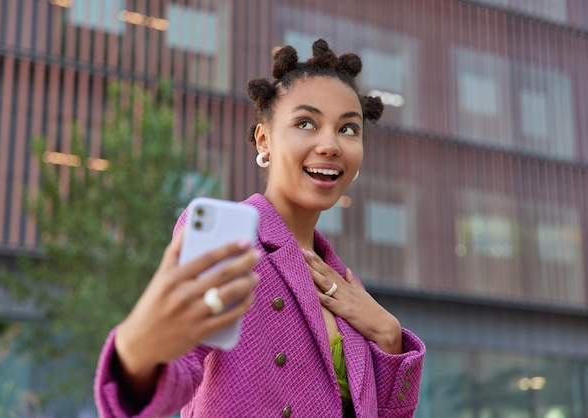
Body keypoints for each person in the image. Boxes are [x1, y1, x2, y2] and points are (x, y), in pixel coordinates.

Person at [94, 39, 425, 418]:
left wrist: (388, 335)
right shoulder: (230, 240)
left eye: (348, 129)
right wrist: (135, 355)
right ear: (264, 140)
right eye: (306, 123)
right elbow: (178, 368)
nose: (331, 145)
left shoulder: (347, 285)